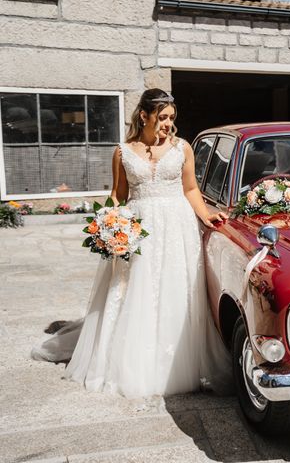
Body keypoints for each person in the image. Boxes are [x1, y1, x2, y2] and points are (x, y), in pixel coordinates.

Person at [32, 88, 232, 399]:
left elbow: (191, 188)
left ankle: (177, 363)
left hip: (177, 226)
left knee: (175, 290)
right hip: (139, 229)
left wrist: (206, 216)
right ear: (144, 116)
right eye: (162, 117)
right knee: (136, 292)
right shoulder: (123, 152)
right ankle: (133, 362)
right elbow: (118, 194)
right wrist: (109, 222)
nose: (168, 124)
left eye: (171, 118)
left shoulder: (182, 148)